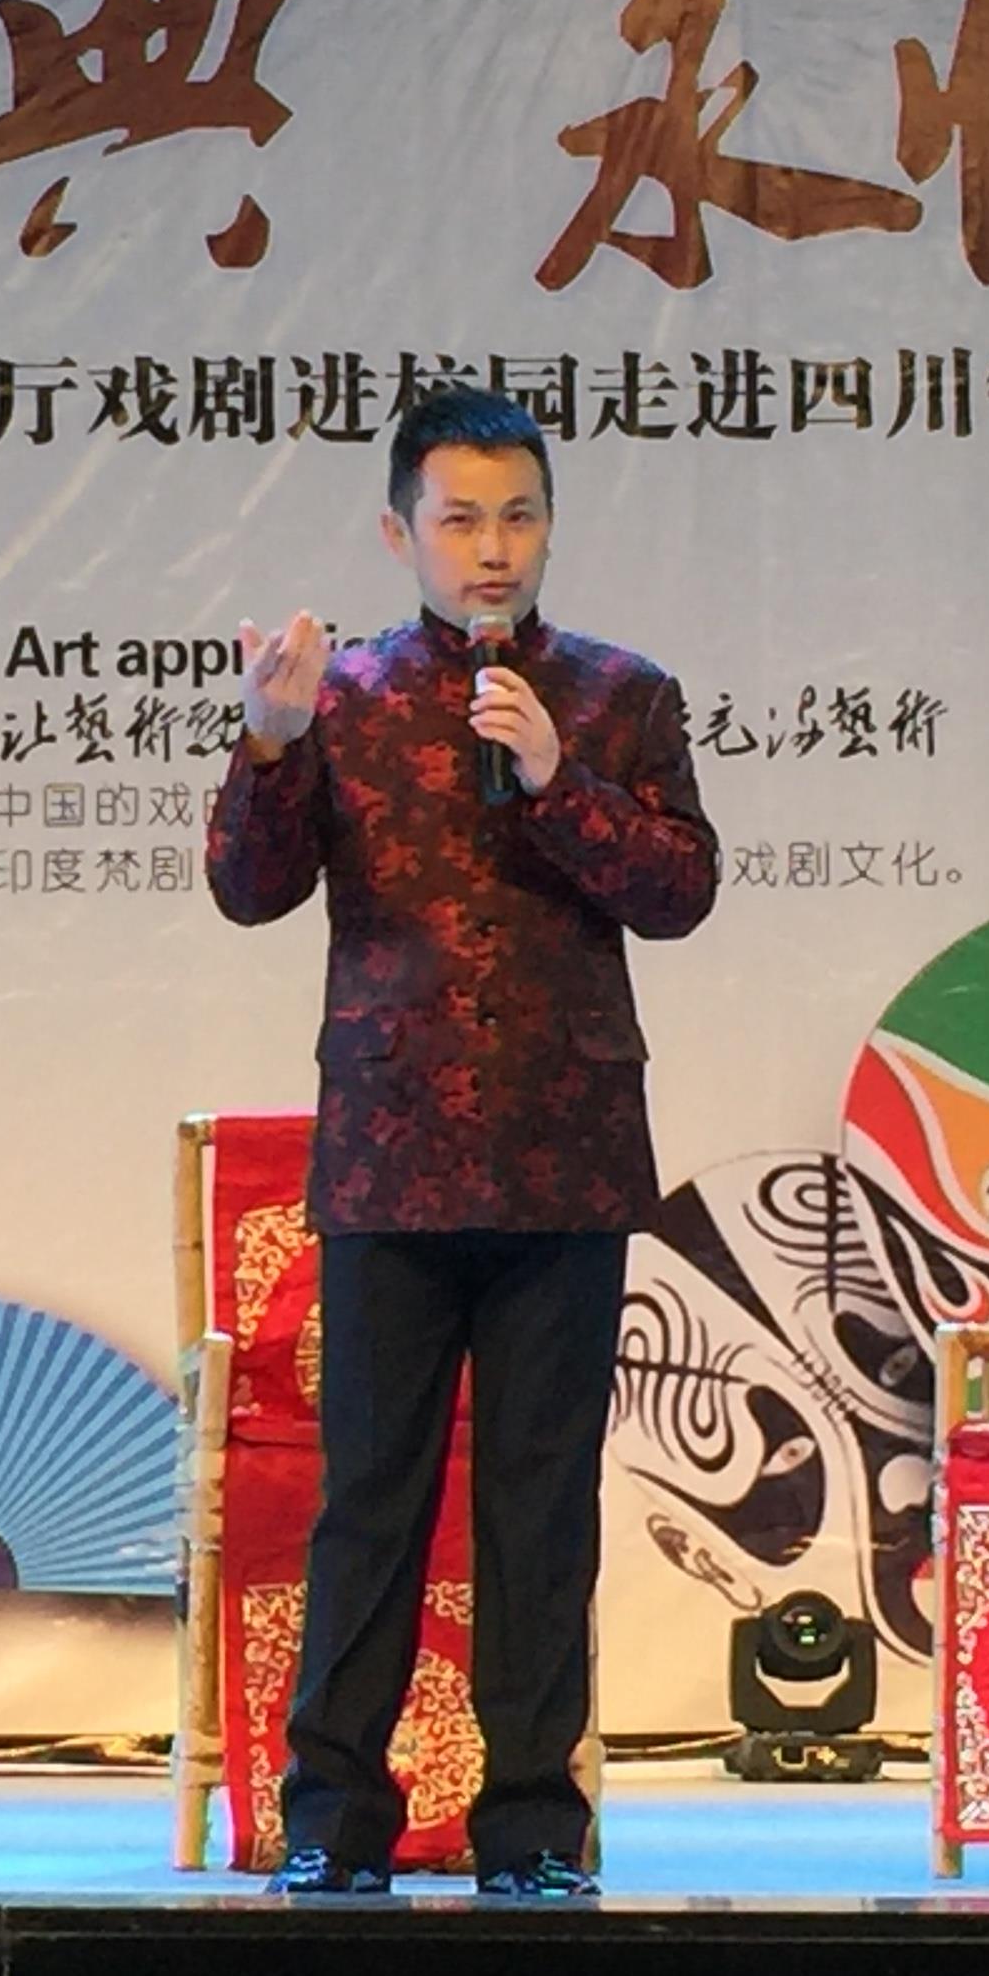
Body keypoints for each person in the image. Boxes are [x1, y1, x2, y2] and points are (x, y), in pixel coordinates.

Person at [206, 384, 717, 1898]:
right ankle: (333, 1821)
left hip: (565, 1156)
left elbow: (682, 891)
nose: (492, 548)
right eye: (460, 520)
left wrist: (561, 783)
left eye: (518, 517)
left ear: (549, 526)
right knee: (372, 1498)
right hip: (392, 1158)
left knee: (541, 1508)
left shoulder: (621, 695)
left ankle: (535, 1829)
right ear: (400, 534)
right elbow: (249, 891)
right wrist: (268, 745)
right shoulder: (345, 698)